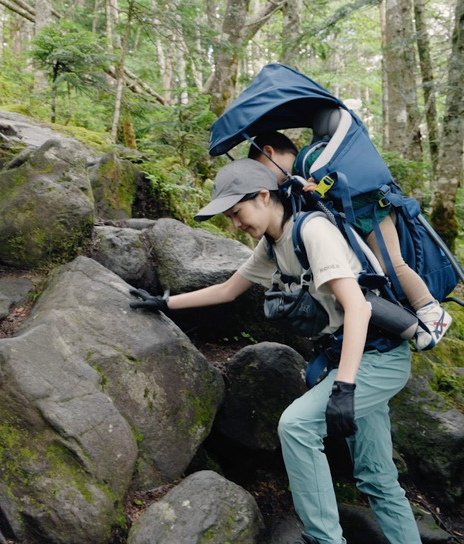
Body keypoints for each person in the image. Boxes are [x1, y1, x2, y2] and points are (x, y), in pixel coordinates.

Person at [129, 158, 421, 544]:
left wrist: (344, 389)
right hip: (349, 359)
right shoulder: (273, 244)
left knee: (297, 426)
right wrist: (166, 302)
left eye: (238, 212)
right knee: (376, 475)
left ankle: (324, 539)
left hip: (377, 357)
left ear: (264, 196)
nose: (236, 224)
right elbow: (227, 290)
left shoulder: (313, 232)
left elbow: (358, 307)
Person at [247, 132, 451, 350]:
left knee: (391, 263)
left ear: (269, 152)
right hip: (360, 219)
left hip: (372, 214)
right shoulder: (299, 173)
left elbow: (341, 181)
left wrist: (320, 190)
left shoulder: (311, 158)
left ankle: (431, 310)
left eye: (261, 169)